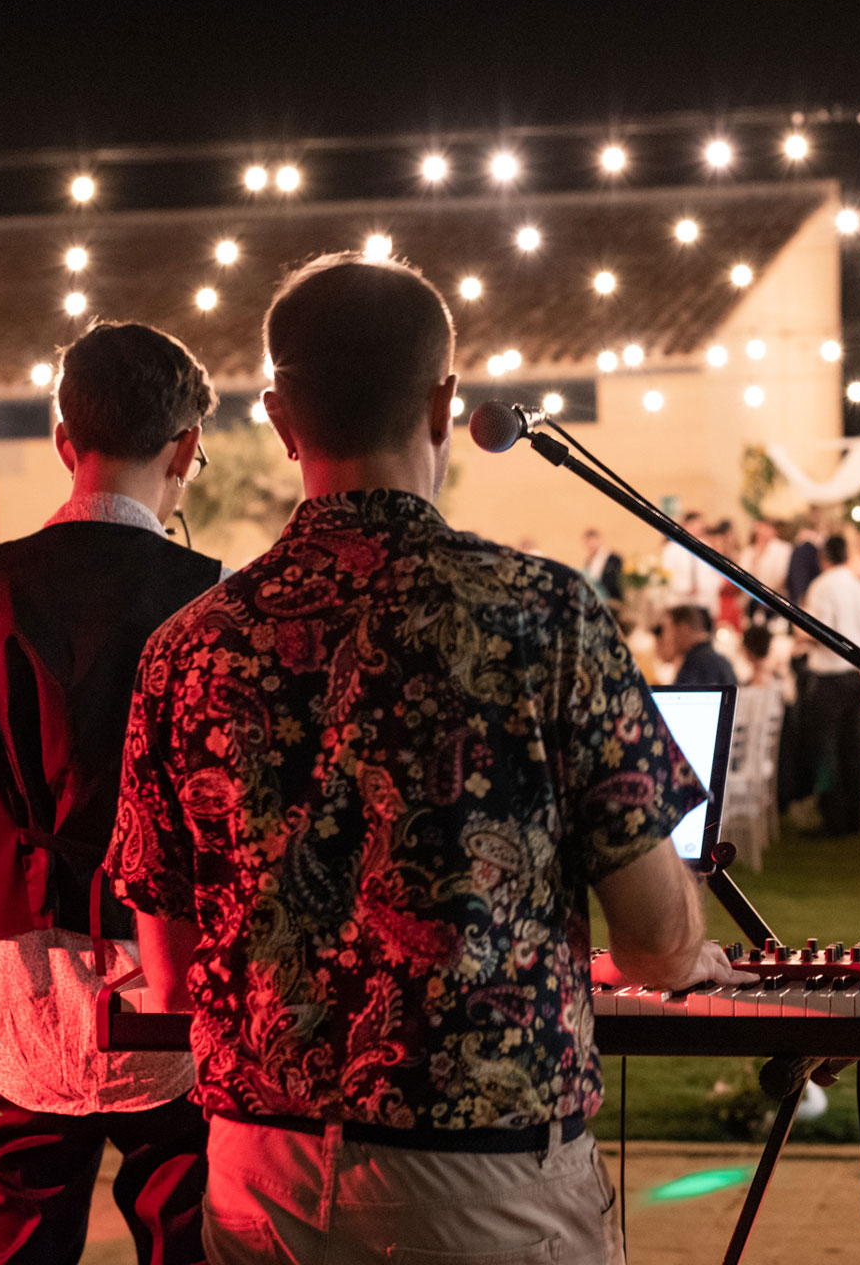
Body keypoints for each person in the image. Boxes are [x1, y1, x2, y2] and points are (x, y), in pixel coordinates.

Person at [104, 253, 748, 1265]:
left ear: (278, 417)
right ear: (444, 402)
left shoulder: (189, 645)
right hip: (486, 1177)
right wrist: (674, 950)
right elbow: (658, 941)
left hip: (257, 1179)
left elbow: (174, 970)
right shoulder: (545, 616)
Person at [0, 321, 227, 1265]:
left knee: (16, 1248)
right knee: (188, 1244)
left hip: (20, 970)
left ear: (65, 441)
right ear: (185, 449)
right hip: (172, 976)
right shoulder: (214, 595)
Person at [798, 533, 860, 836]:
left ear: (824, 558)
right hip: (858, 677)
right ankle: (854, 818)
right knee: (853, 747)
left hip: (830, 675)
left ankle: (834, 820)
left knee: (827, 750)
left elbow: (817, 631)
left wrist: (799, 637)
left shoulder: (822, 586)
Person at [654, 605, 738, 687]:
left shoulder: (696, 664)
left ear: (683, 629)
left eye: (667, 630)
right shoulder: (718, 660)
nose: (665, 638)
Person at [581, 526, 623, 604]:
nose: (591, 545)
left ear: (599, 540)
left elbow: (614, 581)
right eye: (588, 542)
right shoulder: (588, 561)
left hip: (609, 598)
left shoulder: (613, 559)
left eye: (593, 541)